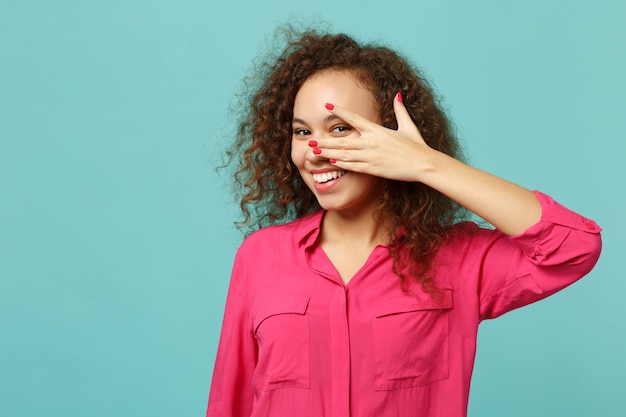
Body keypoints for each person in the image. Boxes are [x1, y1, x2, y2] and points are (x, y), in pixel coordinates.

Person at [206, 28, 602, 417]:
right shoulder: (260, 257)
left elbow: (574, 246)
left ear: (391, 138)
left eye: (340, 129)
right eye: (302, 132)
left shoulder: (456, 259)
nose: (317, 151)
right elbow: (231, 401)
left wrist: (425, 163)